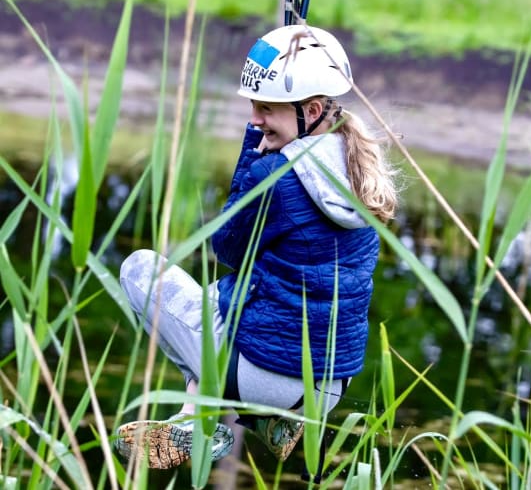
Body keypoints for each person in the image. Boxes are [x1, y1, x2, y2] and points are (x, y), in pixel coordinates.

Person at [114, 24, 398, 469]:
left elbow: (227, 248)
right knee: (216, 302)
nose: (255, 119)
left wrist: (255, 153)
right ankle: (274, 425)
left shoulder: (279, 177)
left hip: (264, 375)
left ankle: (197, 421)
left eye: (266, 109)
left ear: (313, 109)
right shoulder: (358, 168)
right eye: (254, 107)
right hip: (326, 386)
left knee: (141, 270)